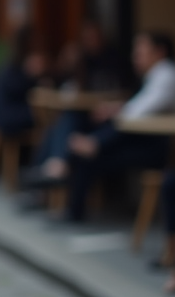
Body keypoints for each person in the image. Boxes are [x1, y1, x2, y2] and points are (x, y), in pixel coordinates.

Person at [64, 31, 175, 222]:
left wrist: (115, 112)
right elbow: (136, 109)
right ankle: (64, 181)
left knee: (87, 152)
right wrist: (117, 109)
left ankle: (71, 204)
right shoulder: (154, 76)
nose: (135, 56)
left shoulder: (166, 75)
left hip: (157, 148)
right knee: (76, 127)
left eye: (140, 51)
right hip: (144, 141)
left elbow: (138, 113)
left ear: (160, 52)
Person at [0, 25, 48, 138]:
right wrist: (31, 76)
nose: (38, 44)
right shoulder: (11, 67)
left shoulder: (18, 63)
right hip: (6, 114)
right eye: (35, 41)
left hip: (14, 111)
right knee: (46, 117)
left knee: (47, 116)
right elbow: (19, 90)